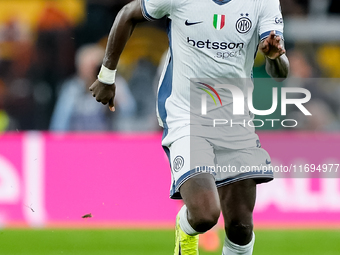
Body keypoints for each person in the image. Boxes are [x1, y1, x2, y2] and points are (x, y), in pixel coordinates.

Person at [89, 0, 289, 254]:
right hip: (186, 115)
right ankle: (185, 229)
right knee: (205, 214)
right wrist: (106, 76)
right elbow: (128, 13)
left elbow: (280, 73)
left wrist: (274, 56)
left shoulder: (263, 2)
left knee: (240, 228)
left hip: (235, 119)